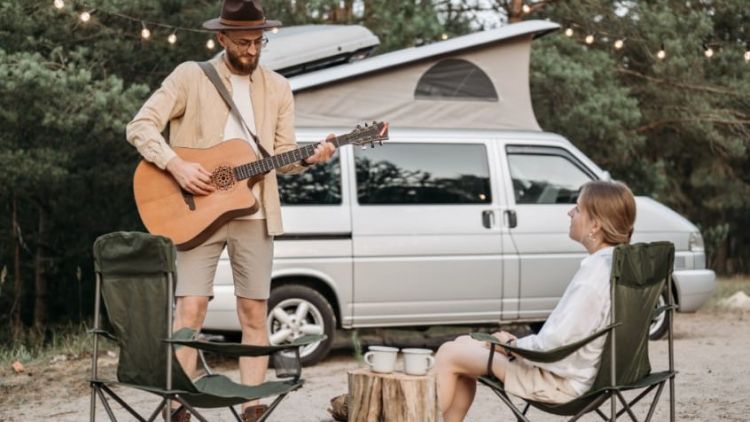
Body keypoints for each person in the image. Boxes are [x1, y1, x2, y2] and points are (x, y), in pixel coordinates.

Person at [125, 1, 335, 421]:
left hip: (254, 215)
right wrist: (177, 166)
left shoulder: (278, 88)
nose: (251, 50)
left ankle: (252, 405)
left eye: (259, 42)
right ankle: (176, 406)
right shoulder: (190, 76)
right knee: (190, 311)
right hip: (196, 214)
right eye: (243, 42)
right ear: (221, 38)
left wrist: (313, 156)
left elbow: (281, 157)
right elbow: (140, 126)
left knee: (254, 311)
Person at [434, 180, 637, 422]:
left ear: (595, 225)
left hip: (561, 382)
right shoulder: (615, 264)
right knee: (462, 343)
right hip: (584, 374)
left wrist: (510, 345)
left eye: (578, 208)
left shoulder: (593, 279)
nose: (570, 212)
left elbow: (554, 345)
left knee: (449, 354)